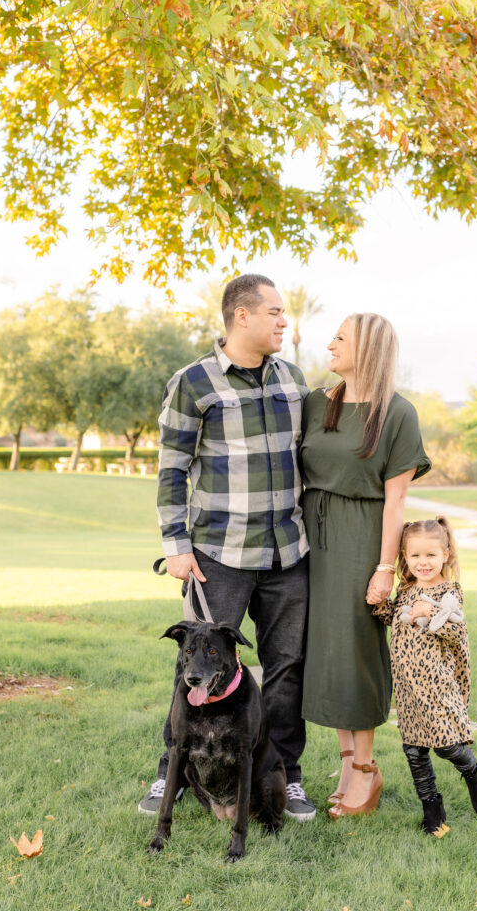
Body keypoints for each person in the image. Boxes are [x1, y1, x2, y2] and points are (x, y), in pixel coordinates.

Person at [138, 274, 316, 822]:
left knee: (287, 666)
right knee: (194, 664)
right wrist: (176, 545)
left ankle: (284, 775)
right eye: (275, 312)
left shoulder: (293, 378)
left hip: (288, 553)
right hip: (218, 556)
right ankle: (174, 766)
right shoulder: (193, 382)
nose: (284, 321)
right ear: (242, 316)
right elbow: (172, 468)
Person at [299, 313, 431, 819]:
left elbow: (395, 503)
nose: (329, 344)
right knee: (329, 653)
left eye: (340, 338)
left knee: (357, 652)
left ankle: (367, 771)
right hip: (313, 537)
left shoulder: (398, 413)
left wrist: (384, 569)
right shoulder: (317, 402)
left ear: (369, 349)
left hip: (362, 539)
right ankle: (346, 764)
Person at [369, 516, 477, 835]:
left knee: (445, 745)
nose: (423, 563)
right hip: (408, 688)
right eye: (415, 556)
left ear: (446, 555)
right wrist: (380, 604)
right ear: (404, 558)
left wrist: (434, 612)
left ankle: (472, 770)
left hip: (437, 685)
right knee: (414, 750)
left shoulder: (449, 591)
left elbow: (457, 631)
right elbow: (395, 618)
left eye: (430, 555)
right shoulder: (407, 589)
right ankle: (431, 808)